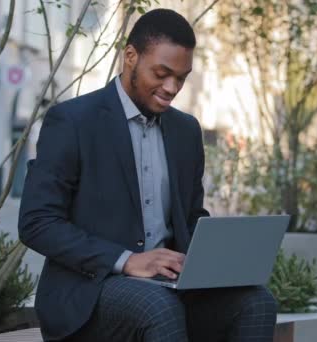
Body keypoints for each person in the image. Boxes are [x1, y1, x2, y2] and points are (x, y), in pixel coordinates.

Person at [19, 8, 277, 342]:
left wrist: (217, 261)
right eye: (162, 73)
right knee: (157, 306)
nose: (172, 87)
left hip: (169, 286)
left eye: (181, 78)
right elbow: (37, 222)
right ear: (130, 56)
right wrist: (126, 261)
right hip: (89, 291)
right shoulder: (72, 121)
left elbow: (191, 217)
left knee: (257, 303)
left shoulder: (186, 131)